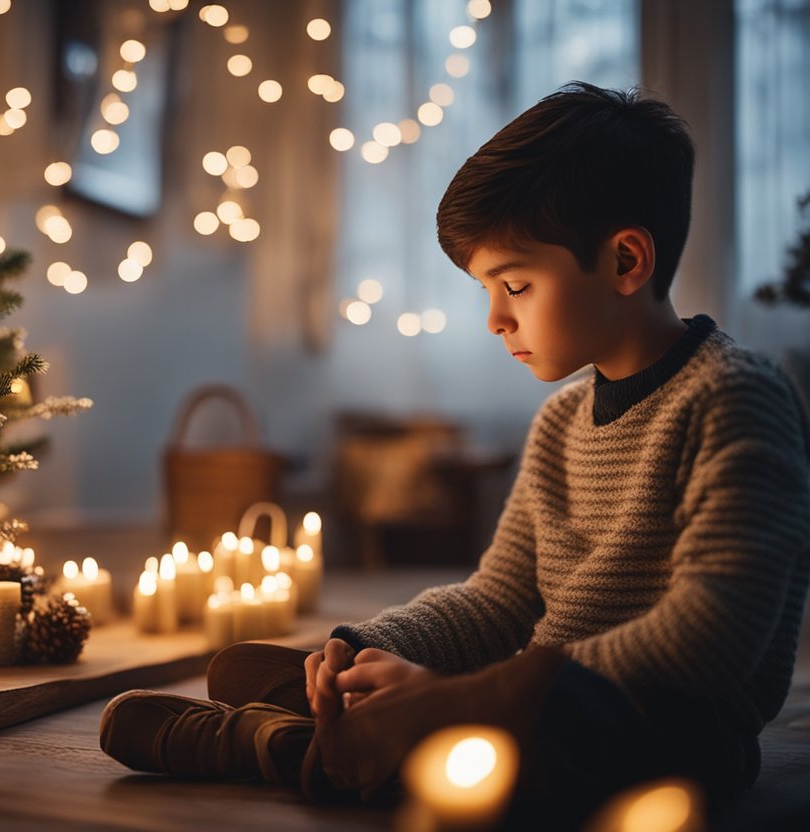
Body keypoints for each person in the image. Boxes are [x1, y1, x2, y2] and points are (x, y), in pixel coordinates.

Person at [99, 82, 810, 828]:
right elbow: (499, 600)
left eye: (515, 284)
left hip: (667, 735)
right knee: (310, 671)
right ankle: (351, 720)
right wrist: (369, 646)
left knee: (536, 727)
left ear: (626, 260)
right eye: (487, 290)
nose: (496, 318)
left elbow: (714, 632)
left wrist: (465, 695)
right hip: (525, 695)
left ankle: (280, 747)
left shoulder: (736, 398)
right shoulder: (563, 420)